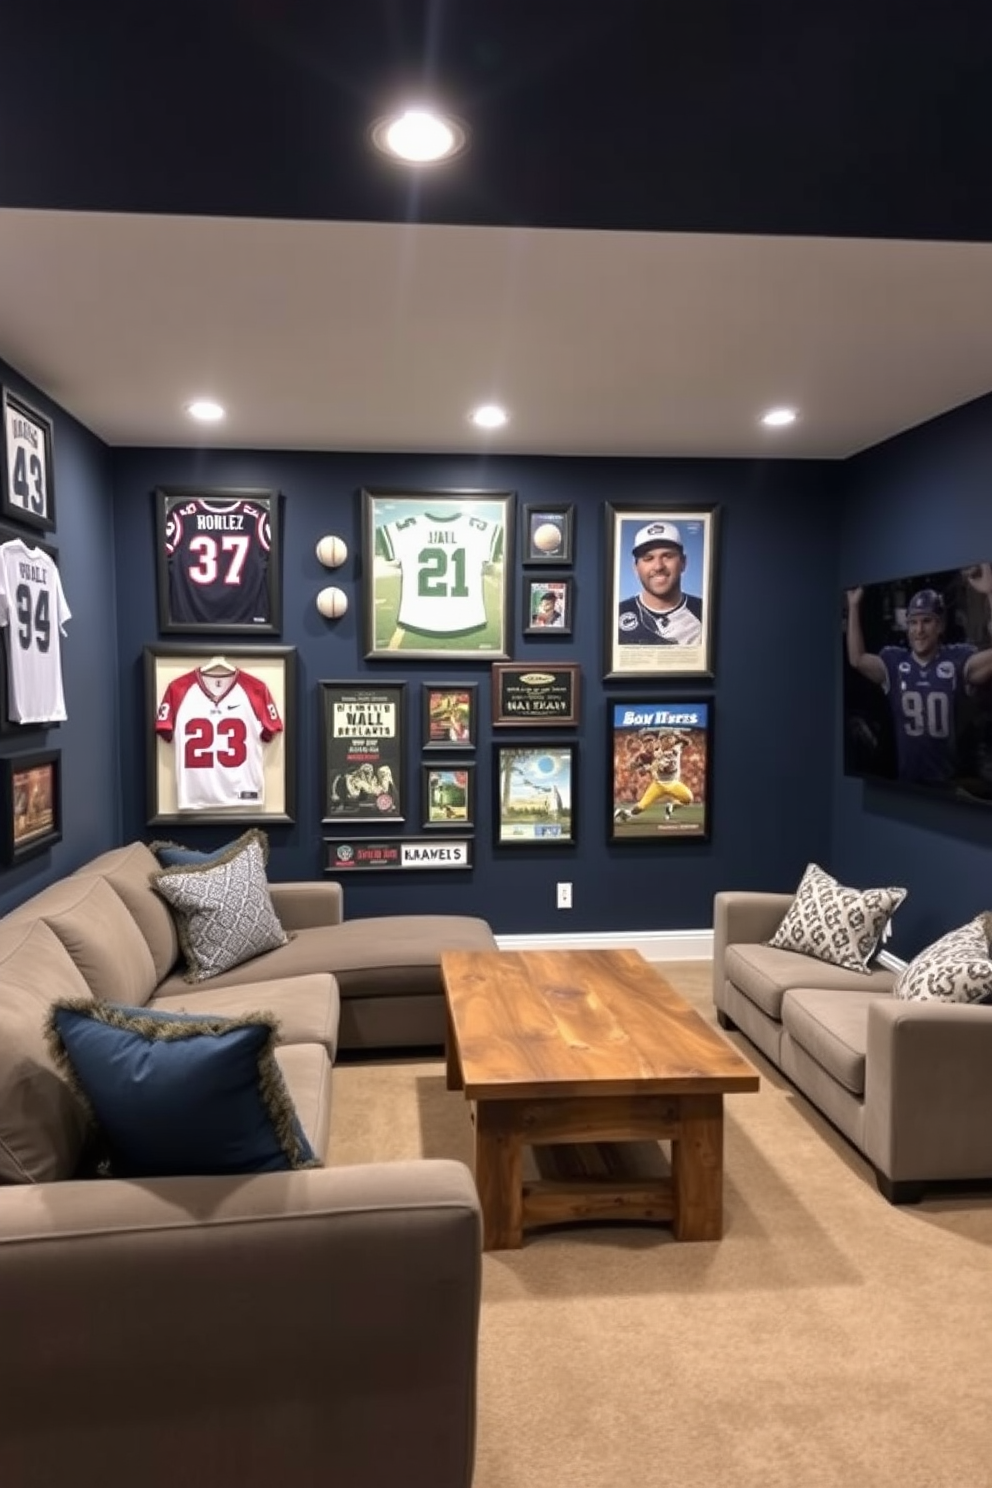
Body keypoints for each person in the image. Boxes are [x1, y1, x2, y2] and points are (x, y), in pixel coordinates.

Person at [845, 567, 992, 784]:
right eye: (913, 622)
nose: (918, 630)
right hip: (907, 782)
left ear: (940, 625)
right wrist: (854, 605)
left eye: (926, 621)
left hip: (950, 784)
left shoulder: (957, 660)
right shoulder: (895, 663)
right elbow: (857, 659)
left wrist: (990, 592)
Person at [616, 522, 703, 646]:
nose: (658, 566)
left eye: (667, 556)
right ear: (635, 568)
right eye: (648, 558)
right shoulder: (616, 615)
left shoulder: (704, 613)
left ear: (683, 562)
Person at [614, 731, 693, 823]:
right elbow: (638, 770)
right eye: (667, 739)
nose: (670, 741)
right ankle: (625, 813)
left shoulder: (676, 747)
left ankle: (671, 806)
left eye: (671, 738)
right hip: (658, 784)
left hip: (673, 783)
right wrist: (639, 766)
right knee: (641, 807)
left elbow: (688, 742)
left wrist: (679, 736)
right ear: (661, 741)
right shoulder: (652, 755)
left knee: (688, 799)